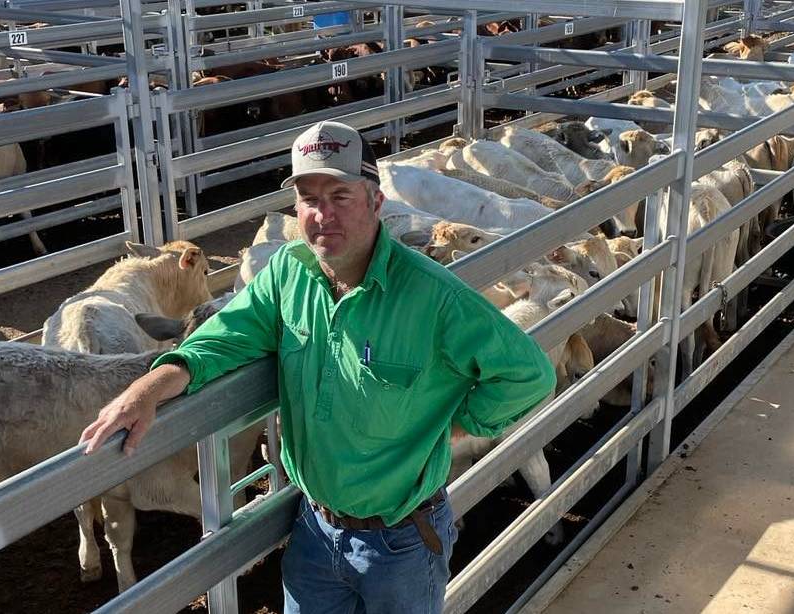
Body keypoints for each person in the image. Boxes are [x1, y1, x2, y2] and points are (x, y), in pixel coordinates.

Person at [79, 121, 556, 614]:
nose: (321, 214)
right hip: (314, 531)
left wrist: (451, 429)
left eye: (340, 195)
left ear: (376, 202)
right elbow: (224, 338)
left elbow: (528, 374)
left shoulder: (434, 296)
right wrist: (151, 387)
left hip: (401, 542)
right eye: (308, 198)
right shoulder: (288, 271)